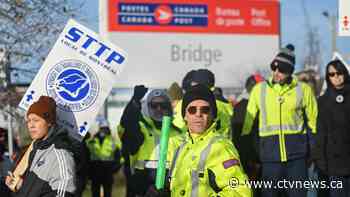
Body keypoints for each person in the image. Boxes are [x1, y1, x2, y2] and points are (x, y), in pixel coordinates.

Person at [242, 44, 318, 197]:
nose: (276, 72)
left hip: (296, 157)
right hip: (270, 158)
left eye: (281, 69)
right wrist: (252, 152)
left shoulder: (303, 90)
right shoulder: (259, 90)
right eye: (274, 68)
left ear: (290, 70)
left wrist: (312, 151)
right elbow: (247, 125)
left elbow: (313, 122)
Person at [166, 84, 252, 196]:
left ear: (213, 115)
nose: (198, 114)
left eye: (205, 110)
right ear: (185, 115)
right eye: (192, 110)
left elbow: (240, 191)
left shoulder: (221, 146)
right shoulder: (178, 146)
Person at [5, 96, 76, 197]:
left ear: (49, 122)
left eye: (36, 120)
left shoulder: (61, 154)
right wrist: (21, 185)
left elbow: (63, 194)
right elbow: (39, 189)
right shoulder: (35, 149)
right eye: (29, 120)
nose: (31, 125)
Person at [120, 86, 182, 196]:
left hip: (169, 189)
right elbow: (127, 124)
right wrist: (134, 101)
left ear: (169, 108)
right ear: (147, 107)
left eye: (163, 105)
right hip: (142, 187)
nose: (159, 109)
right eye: (154, 105)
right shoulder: (140, 128)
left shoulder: (179, 133)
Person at [312, 59, 350, 197]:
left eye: (339, 72)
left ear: (345, 73)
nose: (336, 76)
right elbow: (320, 134)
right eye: (331, 74)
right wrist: (321, 163)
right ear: (328, 78)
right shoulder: (322, 101)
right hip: (333, 165)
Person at [173, 69, 233, 138]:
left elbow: (177, 128)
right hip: (223, 143)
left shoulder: (192, 102)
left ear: (198, 83)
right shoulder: (226, 105)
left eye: (193, 83)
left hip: (198, 144)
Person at [232, 74, 264, 185]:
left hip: (253, 159)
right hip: (251, 161)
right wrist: (253, 160)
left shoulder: (241, 105)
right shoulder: (244, 107)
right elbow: (243, 138)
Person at [87, 121, 121, 197]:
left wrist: (114, 169)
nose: (104, 131)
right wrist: (88, 171)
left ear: (108, 129)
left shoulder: (113, 142)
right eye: (102, 129)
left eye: (106, 129)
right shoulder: (91, 141)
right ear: (99, 129)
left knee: (107, 194)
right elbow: (87, 157)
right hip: (95, 173)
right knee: (95, 194)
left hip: (107, 174)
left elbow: (119, 159)